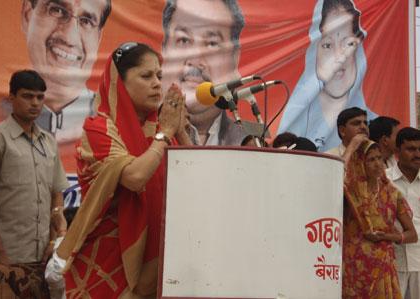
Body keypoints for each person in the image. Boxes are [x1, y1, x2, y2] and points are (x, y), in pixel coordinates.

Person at [50, 42, 191, 298]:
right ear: (120, 83)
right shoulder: (99, 128)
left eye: (159, 76)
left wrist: (179, 131)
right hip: (105, 267)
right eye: (146, 76)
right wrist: (167, 134)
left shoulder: (158, 130)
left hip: (156, 270)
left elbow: (197, 177)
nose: (157, 83)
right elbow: (135, 177)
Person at [0, 70, 69, 264]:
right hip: (6, 254)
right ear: (11, 97)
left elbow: (56, 194)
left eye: (39, 97)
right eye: (27, 96)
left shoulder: (49, 141)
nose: (35, 103)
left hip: (45, 255)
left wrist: (54, 241)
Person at [0, 0, 112, 144]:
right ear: (28, 15)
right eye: (57, 10)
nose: (69, 38)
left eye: (86, 21)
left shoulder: (112, 125)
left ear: (98, 37)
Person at [278, 0, 376, 152]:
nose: (339, 57)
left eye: (348, 44)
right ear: (314, 52)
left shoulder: (374, 124)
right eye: (328, 45)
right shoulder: (290, 122)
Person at [161, 0, 261, 145]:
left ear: (234, 57)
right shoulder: (145, 131)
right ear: (164, 50)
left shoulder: (248, 137)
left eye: (212, 43)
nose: (196, 60)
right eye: (183, 40)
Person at [342, 140, 417, 298]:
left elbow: (412, 235)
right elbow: (334, 174)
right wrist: (350, 149)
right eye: (371, 160)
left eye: (379, 158)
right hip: (354, 266)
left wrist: (386, 237)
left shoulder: (392, 193)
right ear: (359, 163)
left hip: (383, 265)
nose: (378, 164)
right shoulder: (350, 192)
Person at [386, 127, 420, 299]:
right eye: (411, 149)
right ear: (397, 151)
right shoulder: (384, 181)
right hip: (392, 264)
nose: (417, 154)